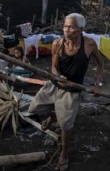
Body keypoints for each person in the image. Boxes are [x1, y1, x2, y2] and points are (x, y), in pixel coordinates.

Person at [28, 13, 104, 171]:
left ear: (81, 29)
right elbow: (53, 67)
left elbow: (100, 64)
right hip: (54, 85)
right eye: (65, 26)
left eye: (71, 27)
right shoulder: (57, 43)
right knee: (33, 108)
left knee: (65, 126)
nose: (66, 30)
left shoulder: (89, 44)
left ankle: (64, 153)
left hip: (72, 91)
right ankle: (53, 115)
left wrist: (98, 84)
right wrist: (58, 76)